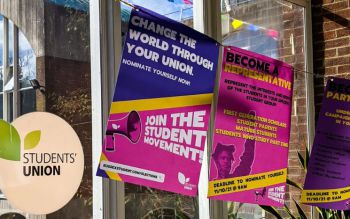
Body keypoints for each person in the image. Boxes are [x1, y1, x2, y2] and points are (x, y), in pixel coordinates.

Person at [212, 110, 256, 179]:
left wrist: (251, 130)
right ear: (216, 161)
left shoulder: (234, 179)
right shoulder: (209, 183)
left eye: (229, 159)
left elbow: (247, 159)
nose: (226, 161)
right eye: (223, 158)